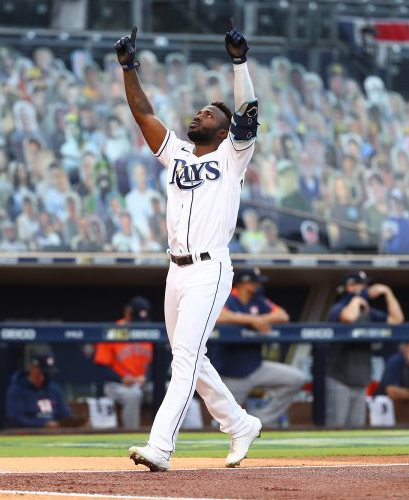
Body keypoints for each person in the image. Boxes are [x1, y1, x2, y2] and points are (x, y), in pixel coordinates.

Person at [116, 21, 262, 471]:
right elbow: (143, 113)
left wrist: (239, 63)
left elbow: (248, 110)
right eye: (200, 112)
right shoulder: (177, 153)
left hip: (209, 267)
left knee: (182, 358)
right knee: (192, 357)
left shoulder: (231, 155)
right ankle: (238, 423)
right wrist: (129, 68)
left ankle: (161, 446)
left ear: (224, 131)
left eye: (210, 116)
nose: (200, 116)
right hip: (175, 270)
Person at [214, 268, 308, 427]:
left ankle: (261, 420)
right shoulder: (226, 296)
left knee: (296, 378)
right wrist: (253, 321)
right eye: (255, 282)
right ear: (244, 283)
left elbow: (283, 315)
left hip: (256, 367)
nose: (258, 285)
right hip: (231, 373)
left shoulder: (258, 300)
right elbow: (218, 316)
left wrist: (258, 319)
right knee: (224, 425)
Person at [325, 271, 404, 428]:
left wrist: (387, 292)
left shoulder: (368, 312)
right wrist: (356, 299)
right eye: (361, 285)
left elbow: (397, 320)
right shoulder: (338, 308)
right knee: (335, 429)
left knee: (356, 430)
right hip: (339, 379)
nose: (366, 288)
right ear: (350, 287)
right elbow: (348, 318)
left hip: (361, 381)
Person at [93, 296, 154, 429]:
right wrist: (122, 379)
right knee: (133, 395)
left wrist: (146, 377)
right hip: (117, 385)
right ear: (127, 312)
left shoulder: (147, 331)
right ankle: (132, 436)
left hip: (142, 383)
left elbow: (155, 365)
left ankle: (175, 437)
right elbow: (101, 367)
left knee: (169, 390)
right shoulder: (112, 331)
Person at [5, 353, 72, 428]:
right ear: (32, 369)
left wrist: (73, 423)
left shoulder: (55, 389)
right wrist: (43, 424)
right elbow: (16, 418)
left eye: (47, 373)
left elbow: (66, 414)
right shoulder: (17, 389)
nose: (44, 376)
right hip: (28, 434)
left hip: (56, 432)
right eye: (41, 372)